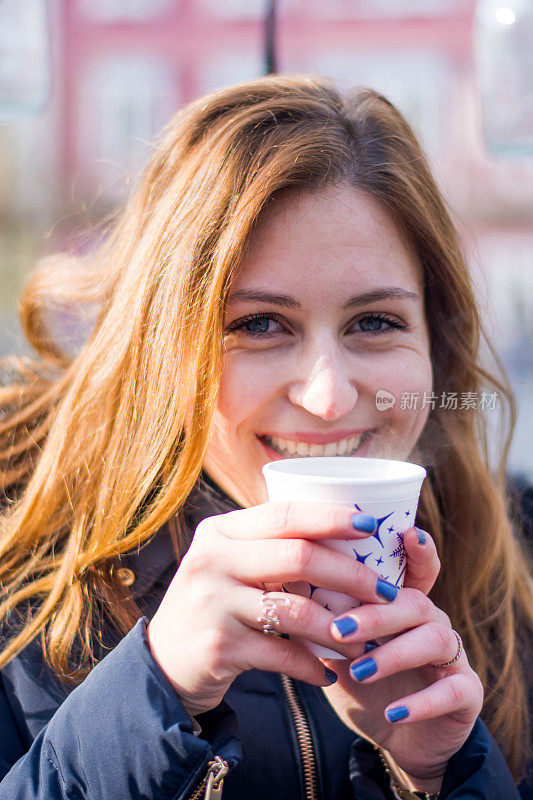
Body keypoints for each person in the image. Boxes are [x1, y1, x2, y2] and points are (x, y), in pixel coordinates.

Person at [0, 73, 531, 800]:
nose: (328, 395)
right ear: (163, 347)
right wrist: (154, 692)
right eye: (257, 325)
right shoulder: (19, 565)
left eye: (374, 322)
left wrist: (440, 772)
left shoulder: (515, 565)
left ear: (434, 341)